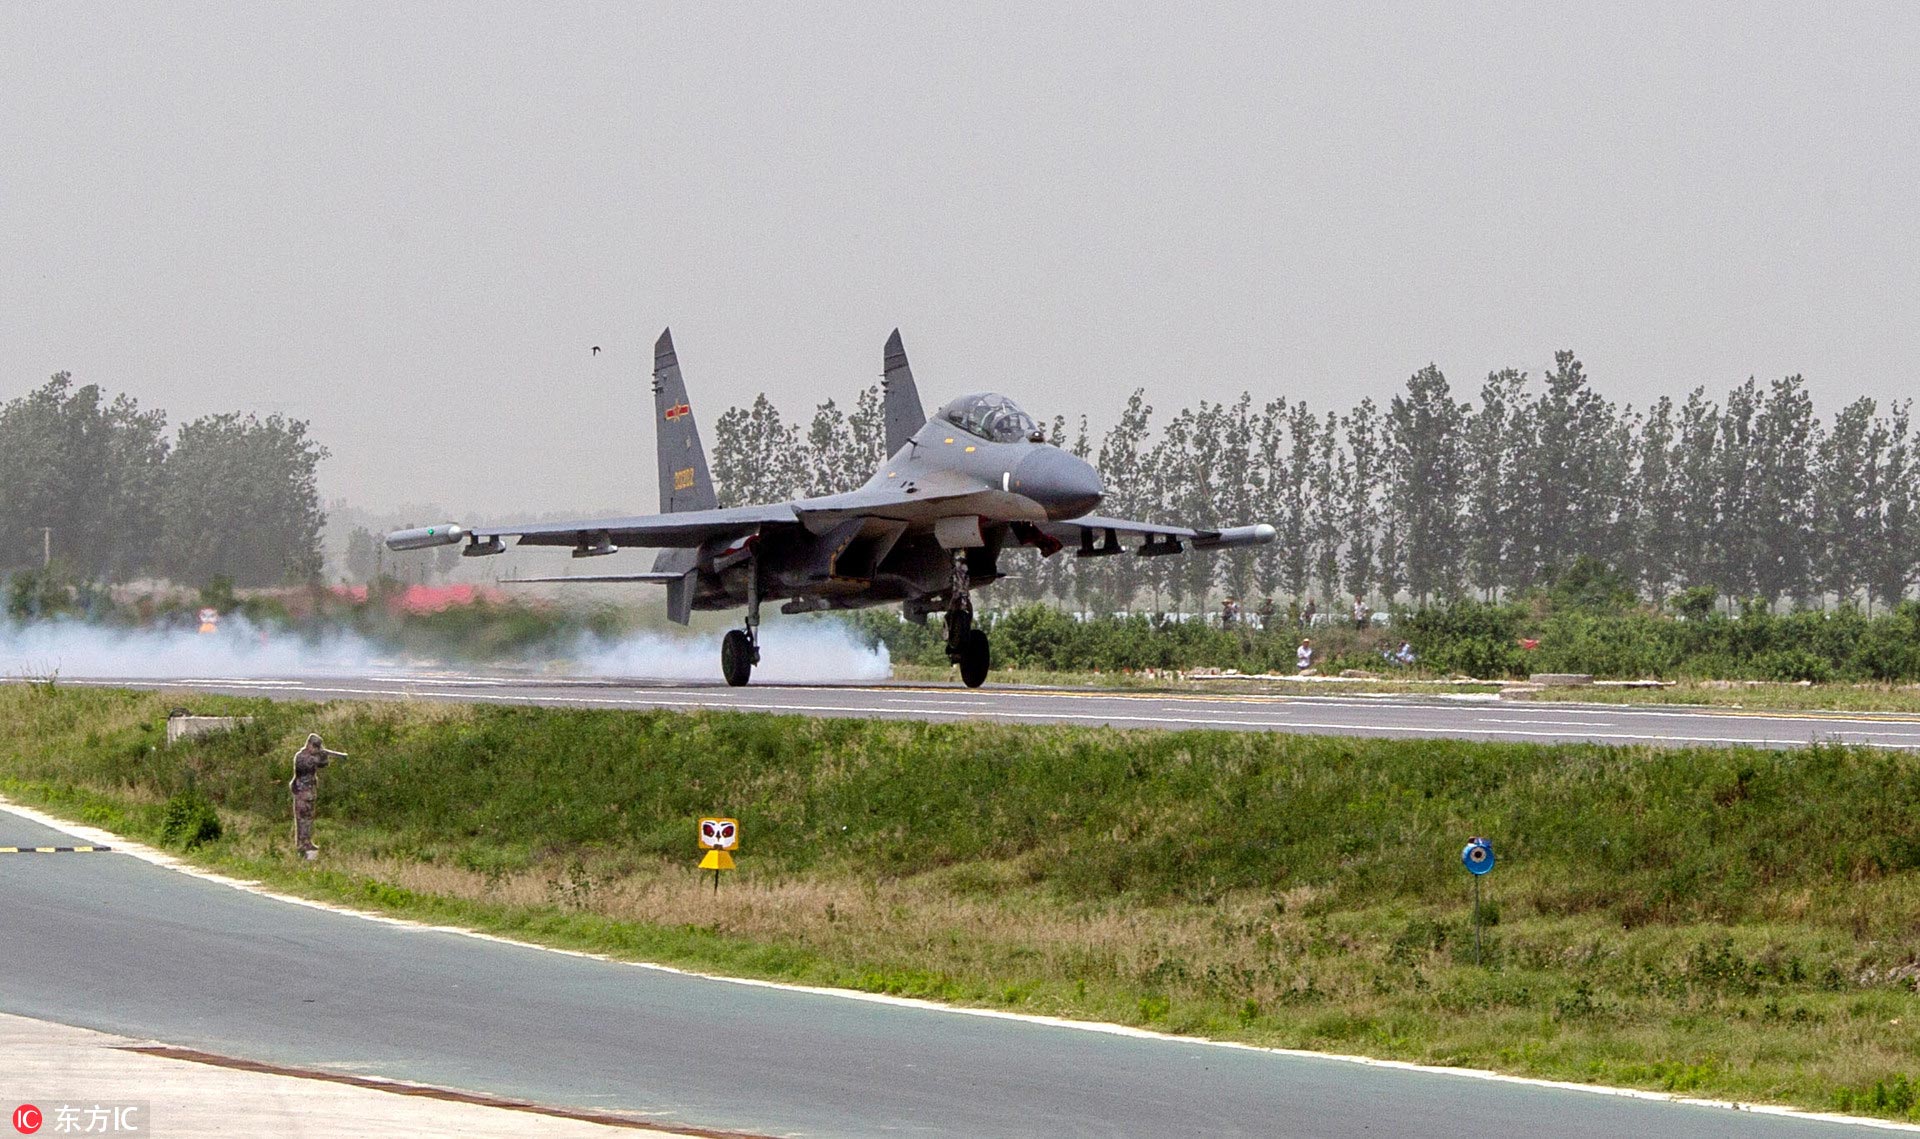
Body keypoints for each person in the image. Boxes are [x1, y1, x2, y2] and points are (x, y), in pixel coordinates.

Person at [291, 733, 347, 857]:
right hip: (301, 791)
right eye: (315, 746)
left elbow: (323, 764)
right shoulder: (301, 756)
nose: (316, 749)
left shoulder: (313, 756)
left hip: (310, 792)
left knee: (309, 818)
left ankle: (307, 841)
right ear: (309, 744)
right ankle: (301, 844)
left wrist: (324, 756)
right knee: (301, 819)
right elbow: (309, 764)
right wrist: (320, 755)